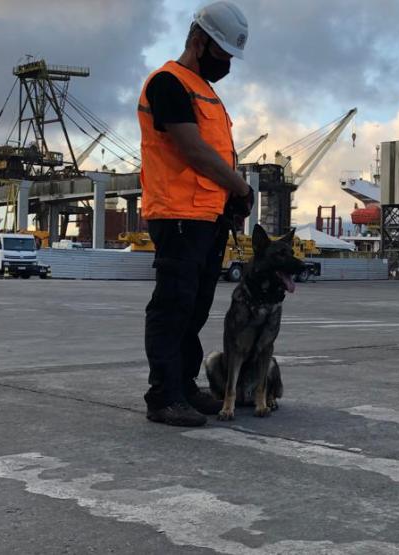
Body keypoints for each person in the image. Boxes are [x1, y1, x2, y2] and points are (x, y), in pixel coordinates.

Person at [137, 1, 254, 426]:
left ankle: (183, 386)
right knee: (172, 306)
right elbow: (192, 149)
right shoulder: (169, 83)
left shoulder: (206, 91)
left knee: (196, 307)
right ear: (199, 40)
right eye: (222, 54)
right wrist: (240, 186)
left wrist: (230, 201)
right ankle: (162, 396)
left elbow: (217, 153)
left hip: (207, 216)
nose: (226, 64)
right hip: (178, 215)